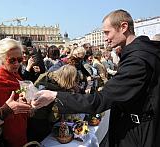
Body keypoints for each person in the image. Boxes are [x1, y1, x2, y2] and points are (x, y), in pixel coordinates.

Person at [32, 9, 160, 147]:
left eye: (107, 32)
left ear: (123, 27)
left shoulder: (137, 59)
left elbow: (101, 100)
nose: (105, 38)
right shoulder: (142, 52)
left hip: (138, 132)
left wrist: (55, 96)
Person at [0, 38, 30, 147]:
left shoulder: (12, 72)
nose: (17, 64)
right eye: (12, 60)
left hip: (22, 126)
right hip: (12, 134)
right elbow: (5, 117)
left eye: (20, 60)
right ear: (1, 59)